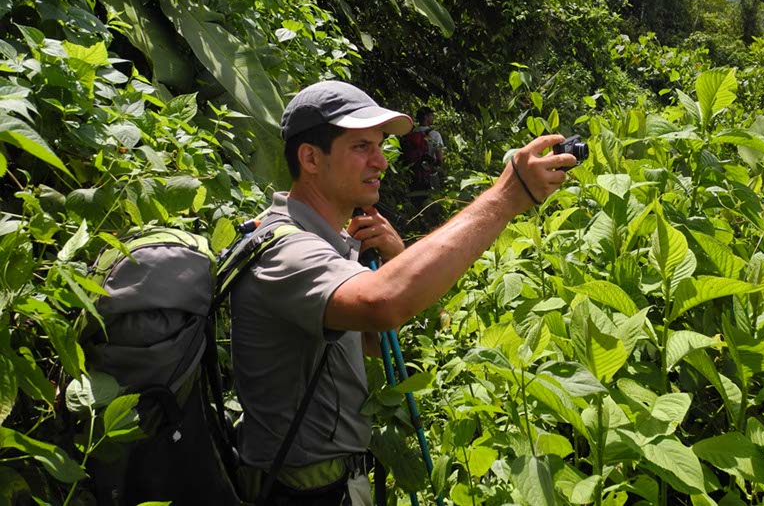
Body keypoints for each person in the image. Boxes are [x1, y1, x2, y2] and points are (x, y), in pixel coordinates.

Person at [230, 81, 575, 505]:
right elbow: (382, 304)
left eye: (380, 146)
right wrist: (506, 197)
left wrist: (397, 258)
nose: (381, 162)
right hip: (300, 492)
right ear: (310, 158)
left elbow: (375, 345)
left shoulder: (329, 241)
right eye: (361, 147)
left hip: (332, 481)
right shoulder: (286, 250)